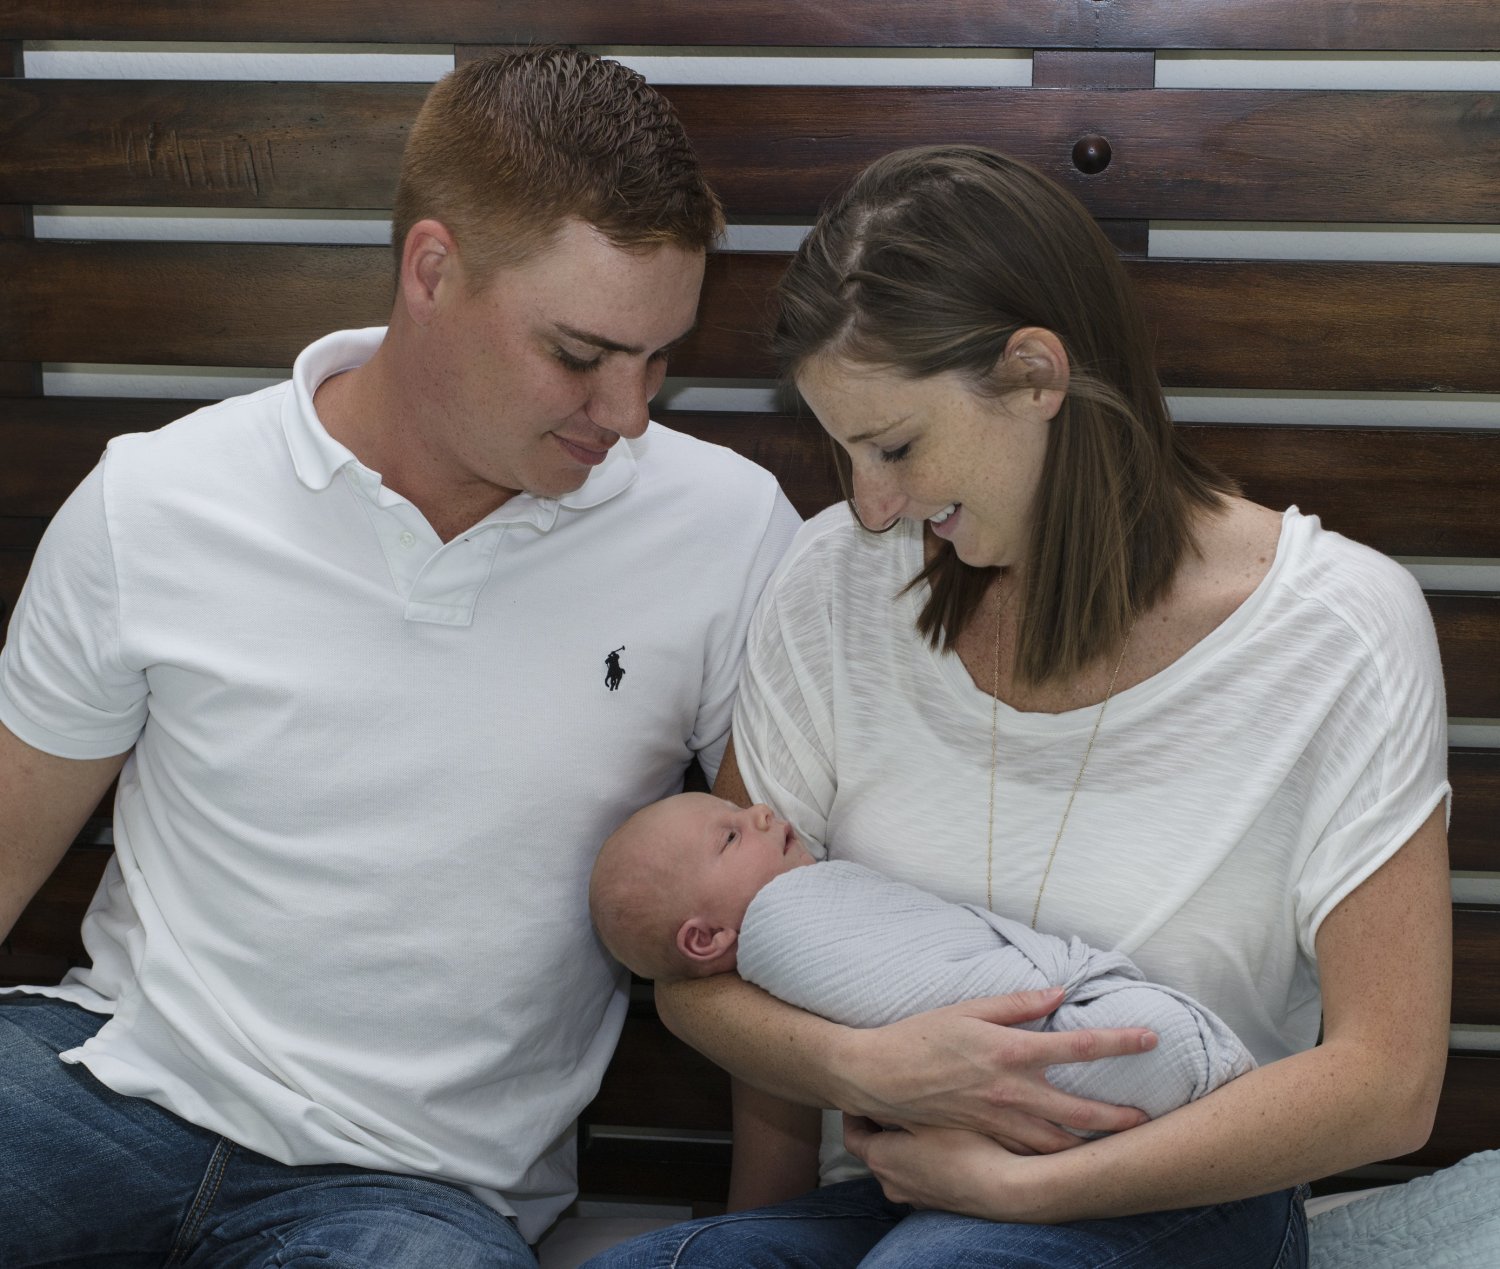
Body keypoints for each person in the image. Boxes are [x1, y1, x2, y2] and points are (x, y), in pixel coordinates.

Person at [0, 47, 800, 1268]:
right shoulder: (156, 500)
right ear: (433, 269)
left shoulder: (728, 531)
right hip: (104, 1091)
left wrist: (764, 1243)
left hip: (412, 1195)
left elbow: (779, 924)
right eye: (581, 355)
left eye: (658, 358)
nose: (629, 413)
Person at [585, 145, 1450, 1268]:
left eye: (895, 445)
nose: (873, 503)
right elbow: (700, 974)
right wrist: (861, 1077)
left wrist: (1038, 1193)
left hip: (1186, 1198)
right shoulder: (841, 580)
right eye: (845, 452)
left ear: (1038, 376)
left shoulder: (1338, 632)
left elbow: (1388, 1087)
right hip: (911, 1192)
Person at [591, 791, 1254, 1126]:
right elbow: (929, 983)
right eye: (731, 833)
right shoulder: (788, 924)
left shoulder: (795, 919)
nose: (762, 810)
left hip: (1200, 1146)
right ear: (704, 940)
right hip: (1074, 1037)